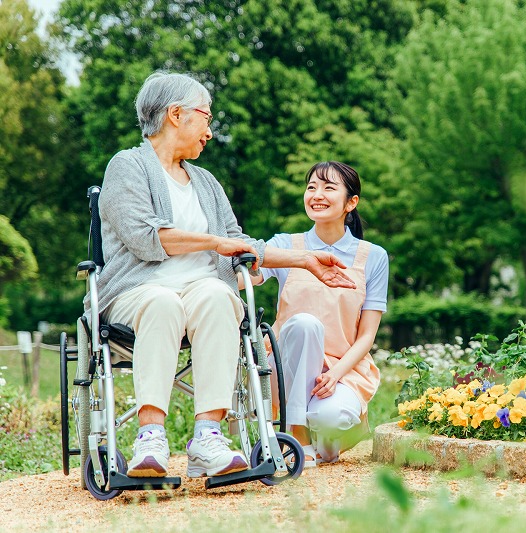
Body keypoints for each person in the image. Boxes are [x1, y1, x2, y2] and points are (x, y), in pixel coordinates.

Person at [95, 72, 356, 479]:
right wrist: (213, 243)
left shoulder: (206, 182)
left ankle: (208, 438)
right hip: (138, 292)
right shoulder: (127, 167)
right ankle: (150, 437)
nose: (210, 132)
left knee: (221, 298)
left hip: (201, 292)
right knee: (163, 302)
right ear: (176, 114)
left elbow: (239, 242)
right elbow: (146, 239)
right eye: (206, 118)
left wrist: (305, 260)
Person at [254, 161, 389, 465]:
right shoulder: (286, 245)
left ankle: (330, 437)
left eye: (329, 188)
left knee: (332, 418)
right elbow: (247, 277)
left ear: (350, 203)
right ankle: (298, 436)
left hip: (341, 368)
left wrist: (336, 376)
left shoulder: (373, 257)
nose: (317, 194)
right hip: (284, 365)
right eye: (312, 187)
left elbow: (367, 335)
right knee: (304, 325)